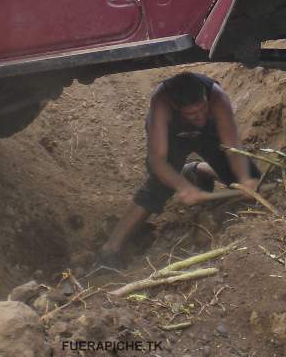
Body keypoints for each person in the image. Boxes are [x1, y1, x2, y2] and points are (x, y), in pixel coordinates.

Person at [98, 72, 261, 268]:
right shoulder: (161, 105)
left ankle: (197, 170)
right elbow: (157, 160)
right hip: (173, 135)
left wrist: (244, 178)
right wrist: (183, 187)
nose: (199, 116)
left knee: (247, 175)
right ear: (176, 107)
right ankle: (110, 249)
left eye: (202, 108)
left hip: (209, 131)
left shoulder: (217, 97)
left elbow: (232, 145)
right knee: (158, 187)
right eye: (192, 113)